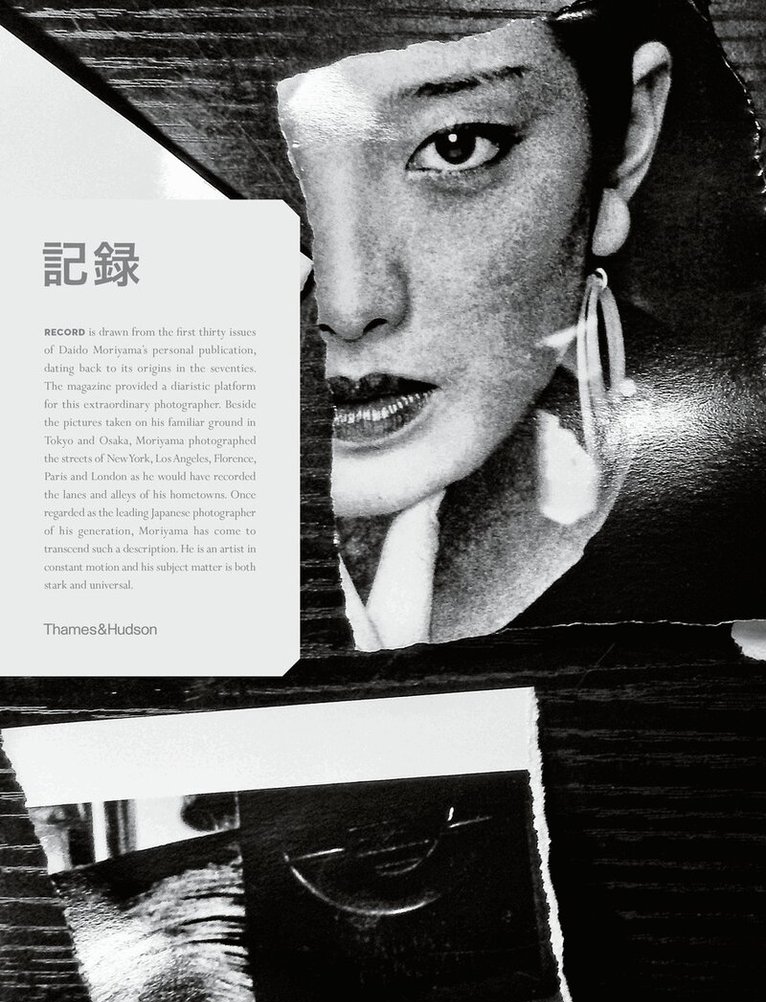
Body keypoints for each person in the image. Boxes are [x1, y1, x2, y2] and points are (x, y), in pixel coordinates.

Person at [279, 0, 766, 649]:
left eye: (455, 146)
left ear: (625, 141)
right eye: (282, 166)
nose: (345, 308)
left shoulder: (735, 511)